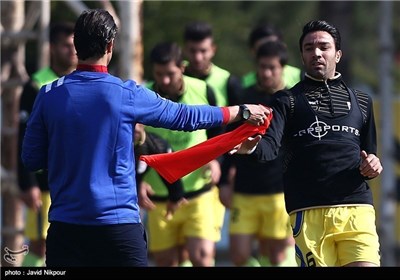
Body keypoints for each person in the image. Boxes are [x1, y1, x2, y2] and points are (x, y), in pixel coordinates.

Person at [21, 9, 270, 267]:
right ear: (110, 45)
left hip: (66, 227)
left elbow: (31, 158)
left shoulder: (48, 94)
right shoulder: (125, 93)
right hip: (117, 228)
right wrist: (239, 112)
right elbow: (184, 117)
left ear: (75, 45)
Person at [233, 20, 383, 267]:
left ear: (338, 53)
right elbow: (270, 146)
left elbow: (371, 155)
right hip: (309, 210)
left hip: (356, 208)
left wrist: (374, 165)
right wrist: (253, 149)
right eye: (308, 48)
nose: (316, 53)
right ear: (302, 56)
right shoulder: (286, 100)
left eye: (324, 47)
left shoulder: (362, 101)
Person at [139, 41, 224, 267]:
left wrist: (217, 160)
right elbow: (135, 143)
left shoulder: (204, 90)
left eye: (170, 74)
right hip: (158, 195)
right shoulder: (143, 97)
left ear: (182, 68)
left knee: (202, 256)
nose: (164, 80)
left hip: (199, 192)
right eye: (159, 74)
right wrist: (137, 180)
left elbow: (219, 132)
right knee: (166, 261)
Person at [219, 41, 296, 267]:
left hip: (279, 190)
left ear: (283, 68)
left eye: (272, 67)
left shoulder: (292, 100)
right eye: (262, 67)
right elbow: (229, 141)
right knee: (239, 255)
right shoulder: (246, 98)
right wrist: (224, 181)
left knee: (279, 255)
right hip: (245, 188)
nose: (266, 72)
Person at [17, 21, 77, 267]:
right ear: (52, 47)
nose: (72, 50)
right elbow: (22, 136)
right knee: (42, 246)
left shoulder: (85, 81)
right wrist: (27, 182)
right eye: (66, 45)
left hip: (77, 180)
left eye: (76, 45)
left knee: (75, 245)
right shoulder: (36, 85)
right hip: (45, 184)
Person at [183, 21, 242, 263]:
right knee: (172, 252)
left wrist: (227, 171)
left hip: (214, 176)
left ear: (213, 49)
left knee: (203, 250)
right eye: (193, 50)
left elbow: (236, 131)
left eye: (204, 50)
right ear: (185, 50)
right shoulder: (175, 78)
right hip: (178, 175)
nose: (198, 57)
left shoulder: (228, 81)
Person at [242, 22, 303, 89]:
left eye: (273, 46)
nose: (268, 51)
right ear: (252, 51)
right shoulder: (243, 85)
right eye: (262, 49)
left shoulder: (301, 78)